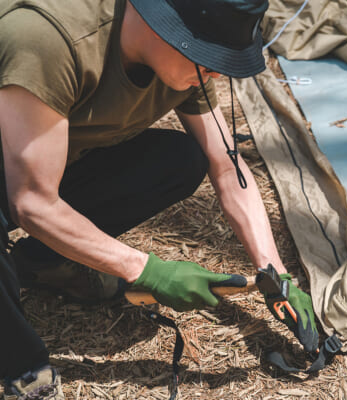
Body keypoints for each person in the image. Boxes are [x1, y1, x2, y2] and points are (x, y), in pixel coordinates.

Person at [0, 0, 319, 398]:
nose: (214, 71)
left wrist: (275, 273)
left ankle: (46, 265)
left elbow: (226, 165)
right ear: (165, 24)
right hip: (17, 165)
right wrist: (147, 270)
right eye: (208, 57)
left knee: (179, 159)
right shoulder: (48, 39)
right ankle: (18, 365)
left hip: (41, 154)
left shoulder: (181, 60)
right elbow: (32, 203)